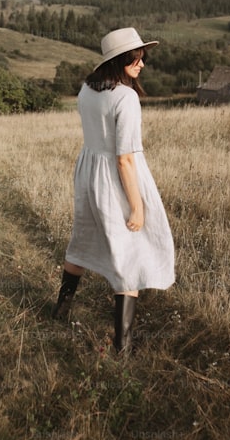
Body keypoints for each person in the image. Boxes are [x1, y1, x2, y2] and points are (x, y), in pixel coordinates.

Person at [52, 27, 176, 352]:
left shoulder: (86, 89)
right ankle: (123, 348)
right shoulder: (126, 97)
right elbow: (124, 159)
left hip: (88, 172)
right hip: (114, 178)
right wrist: (137, 206)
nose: (142, 64)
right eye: (138, 58)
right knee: (129, 255)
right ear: (122, 59)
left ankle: (60, 311)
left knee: (81, 240)